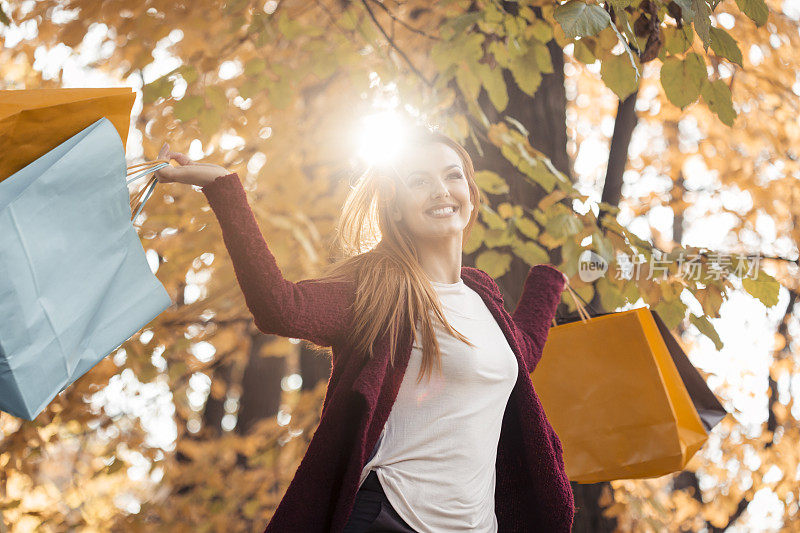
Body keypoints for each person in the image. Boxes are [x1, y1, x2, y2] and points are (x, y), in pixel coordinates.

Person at [155, 127, 574, 532]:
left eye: (452, 175)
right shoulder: (379, 288)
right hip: (389, 518)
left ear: (470, 192)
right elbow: (280, 307)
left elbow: (520, 355)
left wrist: (548, 282)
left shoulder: (482, 295)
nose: (441, 191)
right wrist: (224, 187)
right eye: (419, 181)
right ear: (395, 206)